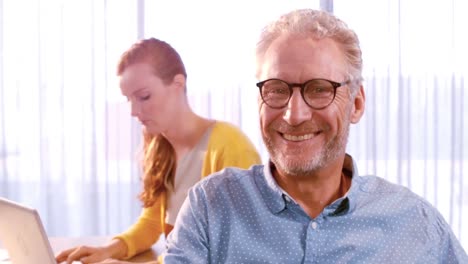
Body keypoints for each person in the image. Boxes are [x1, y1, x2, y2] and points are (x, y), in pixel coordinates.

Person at [164, 9, 468, 263]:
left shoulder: (416, 223)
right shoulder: (210, 209)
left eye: (320, 89)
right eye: (277, 90)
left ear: (357, 104)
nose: (294, 115)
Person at [55, 38, 261, 264]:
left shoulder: (231, 147)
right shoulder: (158, 147)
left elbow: (231, 248)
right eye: (129, 100)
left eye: (144, 97)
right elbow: (153, 222)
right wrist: (108, 250)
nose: (134, 111)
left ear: (178, 84)